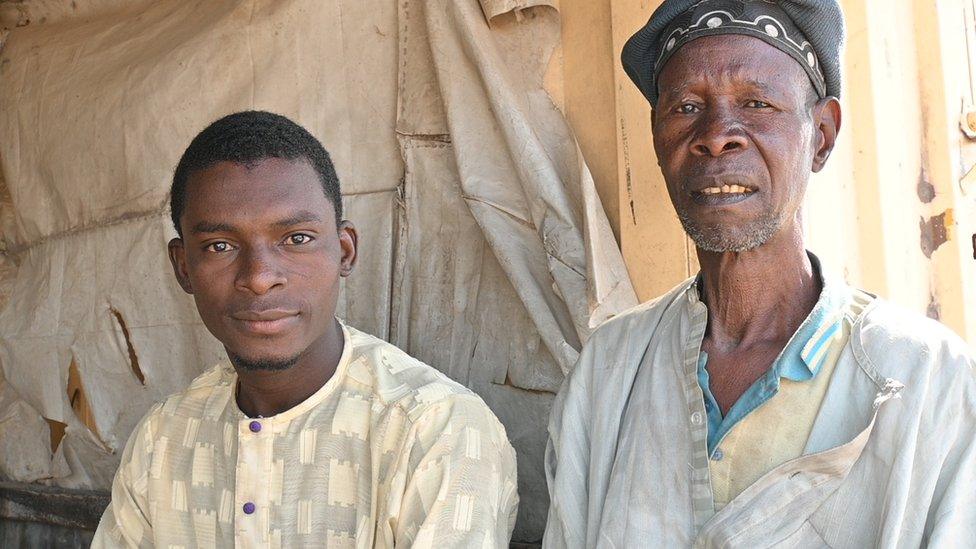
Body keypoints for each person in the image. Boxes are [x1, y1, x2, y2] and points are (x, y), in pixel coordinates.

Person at [543, 1, 976, 547]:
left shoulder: (928, 379)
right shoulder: (608, 372)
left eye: (756, 103)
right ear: (656, 141)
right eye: (685, 107)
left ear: (821, 134)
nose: (717, 135)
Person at [93, 111, 518, 548]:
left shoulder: (433, 431)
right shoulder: (162, 438)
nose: (259, 277)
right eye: (220, 246)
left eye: (296, 238)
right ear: (184, 268)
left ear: (345, 251)